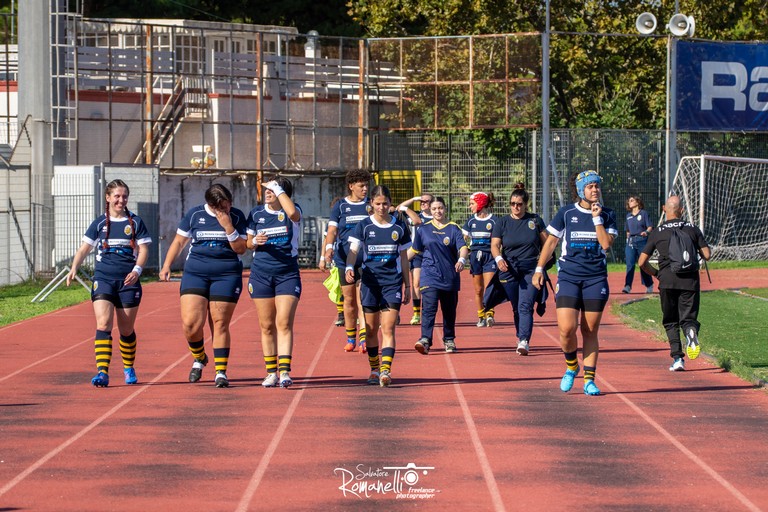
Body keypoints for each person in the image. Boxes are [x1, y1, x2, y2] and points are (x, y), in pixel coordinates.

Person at [533, 170, 618, 396]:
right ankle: (572, 366)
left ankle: (589, 379)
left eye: (597, 186)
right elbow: (551, 242)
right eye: (590, 186)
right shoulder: (566, 213)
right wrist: (539, 269)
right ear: (580, 190)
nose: (595, 190)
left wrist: (597, 218)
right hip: (569, 276)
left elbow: (606, 244)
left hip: (595, 278)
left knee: (589, 330)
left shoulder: (608, 214)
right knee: (566, 329)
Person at [159, 184, 248, 388]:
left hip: (226, 274)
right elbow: (179, 242)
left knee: (219, 323)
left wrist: (228, 226)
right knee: (191, 324)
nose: (228, 209)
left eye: (229, 205)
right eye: (223, 207)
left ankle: (220, 372)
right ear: (212, 205)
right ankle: (199, 357)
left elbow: (241, 249)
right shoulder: (194, 215)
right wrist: (166, 265)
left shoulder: (236, 216)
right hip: (196, 273)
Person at [67, 179, 152, 387]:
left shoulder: (136, 222)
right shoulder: (99, 224)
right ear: (108, 198)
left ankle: (128, 367)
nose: (121, 200)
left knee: (125, 330)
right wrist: (74, 267)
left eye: (124, 196)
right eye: (117, 196)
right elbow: (83, 249)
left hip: (128, 282)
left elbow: (144, 251)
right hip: (103, 279)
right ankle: (102, 372)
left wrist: (137, 270)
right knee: (104, 323)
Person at [346, 185, 411, 387]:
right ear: (371, 204)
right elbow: (354, 250)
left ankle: (385, 370)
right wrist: (349, 265)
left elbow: (404, 258)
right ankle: (374, 369)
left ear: (390, 204)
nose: (381, 207)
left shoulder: (399, 227)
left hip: (392, 283)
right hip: (370, 284)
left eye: (385, 203)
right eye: (377, 203)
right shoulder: (364, 226)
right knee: (372, 330)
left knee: (388, 328)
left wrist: (408, 286)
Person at [638, 195, 711, 372]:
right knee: (688, 318)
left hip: (667, 281)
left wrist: (656, 274)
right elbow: (707, 255)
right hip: (690, 281)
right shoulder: (692, 229)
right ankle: (691, 332)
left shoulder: (657, 232)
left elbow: (641, 262)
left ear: (664, 208)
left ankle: (678, 358)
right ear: (682, 211)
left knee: (670, 321)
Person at [246, 177, 303, 388]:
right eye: (267, 190)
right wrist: (254, 242)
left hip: (287, 274)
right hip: (261, 274)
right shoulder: (256, 214)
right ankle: (271, 372)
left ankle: (285, 371)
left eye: (272, 190)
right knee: (267, 325)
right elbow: (247, 243)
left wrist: (278, 188)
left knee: (283, 322)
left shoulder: (292, 210)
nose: (267, 193)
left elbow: (292, 214)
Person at [490, 183, 548, 356]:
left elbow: (548, 243)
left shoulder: (535, 221)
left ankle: (524, 340)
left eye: (519, 204)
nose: (516, 207)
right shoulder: (502, 222)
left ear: (526, 204)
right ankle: (520, 335)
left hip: (531, 269)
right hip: (510, 269)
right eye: (513, 203)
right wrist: (499, 258)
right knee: (516, 306)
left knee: (525, 305)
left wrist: (542, 265)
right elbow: (494, 245)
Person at [319, 171, 371, 353]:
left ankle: (365, 338)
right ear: (351, 186)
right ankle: (351, 338)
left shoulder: (371, 205)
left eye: (366, 185)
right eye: (361, 186)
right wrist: (328, 250)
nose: (365, 189)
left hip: (367, 260)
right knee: (348, 301)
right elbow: (332, 231)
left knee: (363, 300)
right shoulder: (340, 206)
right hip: (344, 260)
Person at [410, 197, 469, 354]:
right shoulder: (423, 229)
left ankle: (449, 339)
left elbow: (463, 248)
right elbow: (413, 251)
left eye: (440, 208)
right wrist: (395, 263)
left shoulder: (453, 228)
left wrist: (462, 259)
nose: (437, 211)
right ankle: (425, 339)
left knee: (449, 311)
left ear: (445, 209)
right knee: (429, 308)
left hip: (450, 277)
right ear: (430, 209)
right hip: (429, 275)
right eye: (434, 208)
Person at [396, 193, 434, 325]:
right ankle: (417, 313)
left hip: (431, 254)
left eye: (426, 201)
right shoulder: (415, 214)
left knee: (430, 285)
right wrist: (414, 199)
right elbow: (399, 208)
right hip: (415, 253)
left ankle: (429, 311)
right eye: (421, 201)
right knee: (416, 282)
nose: (423, 203)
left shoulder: (436, 217)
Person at [462, 191, 498, 327]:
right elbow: (462, 238)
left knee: (490, 287)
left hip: (490, 256)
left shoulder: (494, 221)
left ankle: (490, 314)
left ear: (481, 203)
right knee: (478, 289)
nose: (470, 206)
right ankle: (481, 315)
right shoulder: (471, 221)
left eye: (472, 203)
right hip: (475, 257)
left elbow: (499, 240)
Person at [623, 195, 654, 294]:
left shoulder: (643, 213)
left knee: (642, 264)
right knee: (630, 264)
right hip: (631, 241)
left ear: (637, 202)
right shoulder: (628, 216)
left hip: (642, 241)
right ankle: (627, 286)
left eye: (632, 200)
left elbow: (650, 227)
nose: (630, 202)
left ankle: (649, 284)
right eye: (629, 201)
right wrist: (627, 240)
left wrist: (646, 232)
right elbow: (627, 231)